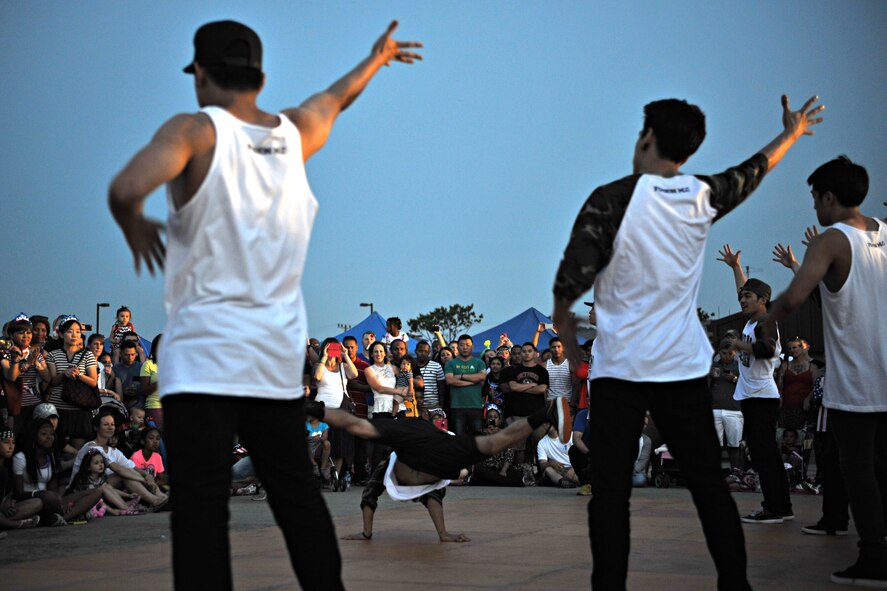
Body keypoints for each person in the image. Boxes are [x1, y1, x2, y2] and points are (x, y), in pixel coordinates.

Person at [108, 19, 422, 591]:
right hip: (272, 366)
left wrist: (133, 223)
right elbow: (336, 99)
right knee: (298, 500)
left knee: (203, 511)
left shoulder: (195, 131)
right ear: (261, 76)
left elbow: (127, 188)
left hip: (202, 363)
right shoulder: (297, 131)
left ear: (200, 74)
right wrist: (376, 60)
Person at [551, 94, 824, 589]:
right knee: (707, 486)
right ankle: (733, 583)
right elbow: (753, 170)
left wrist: (566, 327)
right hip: (681, 370)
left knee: (611, 492)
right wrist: (791, 132)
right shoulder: (702, 193)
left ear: (646, 138)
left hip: (621, 370)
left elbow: (572, 278)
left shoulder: (611, 198)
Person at [763, 156, 885, 587]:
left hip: (857, 381)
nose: (814, 207)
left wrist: (765, 320)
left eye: (815, 199)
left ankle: (874, 558)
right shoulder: (886, 235)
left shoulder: (832, 240)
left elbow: (795, 296)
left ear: (829, 198)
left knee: (859, 470)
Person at [717, 250, 792, 523]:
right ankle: (782, 506)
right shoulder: (753, 320)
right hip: (755, 397)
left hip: (761, 397)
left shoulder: (764, 322)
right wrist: (736, 266)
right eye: (741, 296)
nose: (742, 299)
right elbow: (744, 288)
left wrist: (740, 345)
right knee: (765, 455)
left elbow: (767, 350)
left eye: (748, 297)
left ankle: (774, 507)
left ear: (763, 301)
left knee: (764, 456)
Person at [445, 335, 487, 436]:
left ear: (472, 346)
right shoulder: (451, 363)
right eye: (462, 345)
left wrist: (461, 376)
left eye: (467, 345)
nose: (465, 347)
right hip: (457, 407)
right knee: (459, 439)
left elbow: (482, 377)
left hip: (476, 406)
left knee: (477, 439)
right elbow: (450, 380)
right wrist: (473, 382)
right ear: (458, 347)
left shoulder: (479, 362)